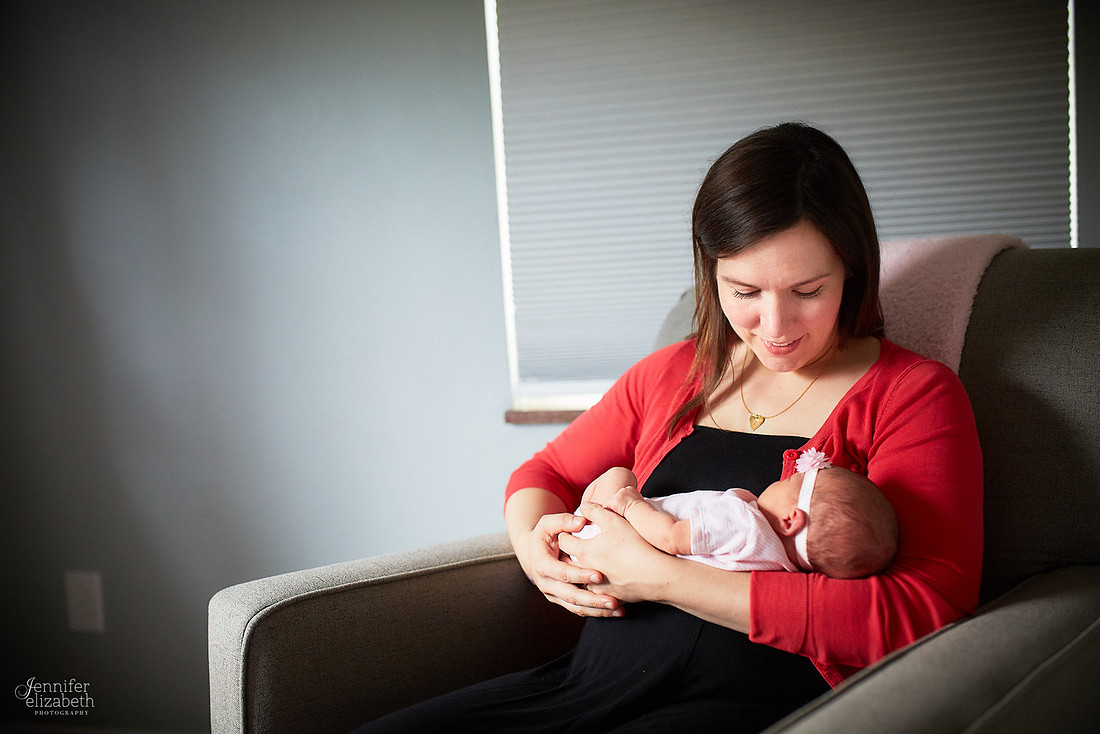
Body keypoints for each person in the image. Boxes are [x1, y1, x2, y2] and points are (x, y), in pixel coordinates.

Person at [354, 122, 983, 733]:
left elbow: (921, 613)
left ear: (852, 270)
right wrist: (534, 551)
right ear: (711, 274)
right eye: (745, 291)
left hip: (752, 705)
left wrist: (660, 576)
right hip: (586, 688)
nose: (776, 325)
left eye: (808, 291)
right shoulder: (674, 374)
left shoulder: (912, 395)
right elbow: (543, 473)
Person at [575, 449, 898, 579]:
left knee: (619, 475)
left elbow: (671, 538)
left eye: (792, 481)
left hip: (608, 535)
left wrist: (632, 505)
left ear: (790, 520)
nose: (783, 478)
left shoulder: (744, 523)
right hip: (611, 557)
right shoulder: (776, 565)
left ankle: (577, 521)